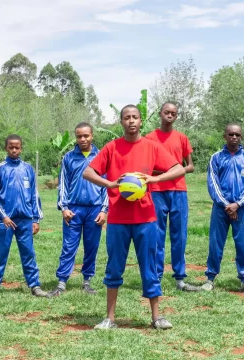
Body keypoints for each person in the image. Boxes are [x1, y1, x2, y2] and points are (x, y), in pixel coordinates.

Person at [83, 105, 185, 330]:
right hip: (118, 220)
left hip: (146, 219)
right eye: (127, 117)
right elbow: (88, 172)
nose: (131, 121)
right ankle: (110, 318)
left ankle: (157, 317)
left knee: (149, 267)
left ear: (141, 121)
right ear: (121, 122)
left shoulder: (151, 147)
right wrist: (109, 183)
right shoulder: (112, 148)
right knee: (114, 267)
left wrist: (154, 180)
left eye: (135, 117)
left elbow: (179, 169)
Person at [0, 134, 50, 299]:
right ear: (6, 148)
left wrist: (35, 219)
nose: (14, 150)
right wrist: (3, 215)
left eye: (17, 147)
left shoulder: (28, 168)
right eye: (11, 147)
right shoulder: (0, 168)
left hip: (25, 220)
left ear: (21, 148)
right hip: (5, 221)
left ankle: (35, 286)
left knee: (28, 253)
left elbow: (34, 194)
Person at [201, 124, 244, 295]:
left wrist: (238, 204)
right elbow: (213, 183)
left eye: (237, 134)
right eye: (231, 134)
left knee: (242, 244)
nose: (234, 137)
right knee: (215, 243)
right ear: (224, 136)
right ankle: (210, 279)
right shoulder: (216, 158)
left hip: (240, 209)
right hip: (220, 209)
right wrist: (226, 204)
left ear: (241, 137)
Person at [145, 102, 198, 292]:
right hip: (157, 191)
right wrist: (165, 172)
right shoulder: (149, 138)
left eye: (173, 113)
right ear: (160, 113)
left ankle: (180, 279)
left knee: (180, 235)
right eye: (166, 112)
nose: (170, 115)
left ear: (176, 116)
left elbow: (190, 166)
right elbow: (146, 165)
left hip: (178, 191)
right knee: (157, 234)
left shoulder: (182, 138)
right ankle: (156, 276)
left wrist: (173, 172)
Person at [52, 122, 108, 296]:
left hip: (95, 209)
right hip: (73, 209)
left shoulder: (101, 156)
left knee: (91, 246)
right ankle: (62, 282)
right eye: (79, 136)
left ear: (92, 136)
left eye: (86, 136)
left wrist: (104, 209)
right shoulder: (69, 157)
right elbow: (63, 184)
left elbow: (107, 185)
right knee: (69, 246)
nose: (83, 139)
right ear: (75, 137)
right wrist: (64, 208)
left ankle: (87, 281)